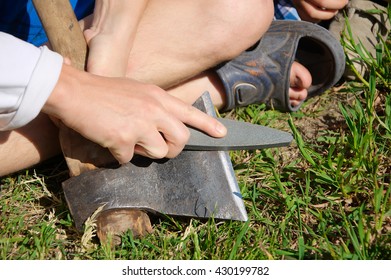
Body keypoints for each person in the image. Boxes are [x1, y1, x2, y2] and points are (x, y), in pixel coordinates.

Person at [0, 0, 318, 177]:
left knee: (237, 9)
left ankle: (135, 101)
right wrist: (69, 92)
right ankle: (209, 84)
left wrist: (113, 32)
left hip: (82, 18)